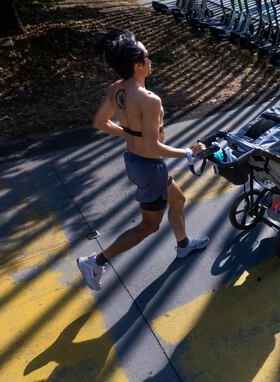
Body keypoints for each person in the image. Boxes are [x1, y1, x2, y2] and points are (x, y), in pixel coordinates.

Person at [77, 29, 209, 291]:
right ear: (138, 65)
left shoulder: (117, 89)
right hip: (150, 168)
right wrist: (186, 153)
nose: (151, 61)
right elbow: (153, 145)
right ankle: (95, 261)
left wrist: (128, 132)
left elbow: (100, 122)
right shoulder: (150, 100)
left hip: (136, 161)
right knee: (148, 227)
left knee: (178, 199)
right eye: (148, 57)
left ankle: (183, 245)